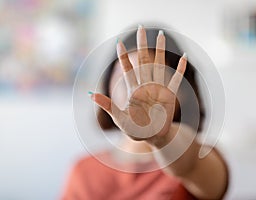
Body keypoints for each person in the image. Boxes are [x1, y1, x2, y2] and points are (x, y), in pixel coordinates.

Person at [61, 25, 229, 199]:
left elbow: (189, 164)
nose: (136, 88)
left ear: (183, 92)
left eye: (151, 76)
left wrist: (161, 137)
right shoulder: (83, 171)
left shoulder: (200, 158)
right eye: (124, 75)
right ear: (108, 86)